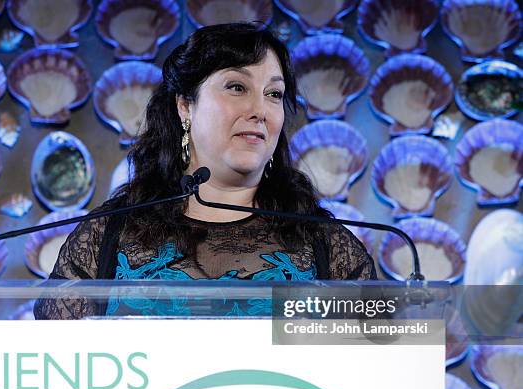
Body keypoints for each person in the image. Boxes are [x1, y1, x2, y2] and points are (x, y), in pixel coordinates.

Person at [34, 23, 376, 320]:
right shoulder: (108, 234)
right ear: (186, 105)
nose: (260, 110)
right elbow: (59, 367)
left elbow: (379, 363)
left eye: (274, 93)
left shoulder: (324, 243)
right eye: (237, 87)